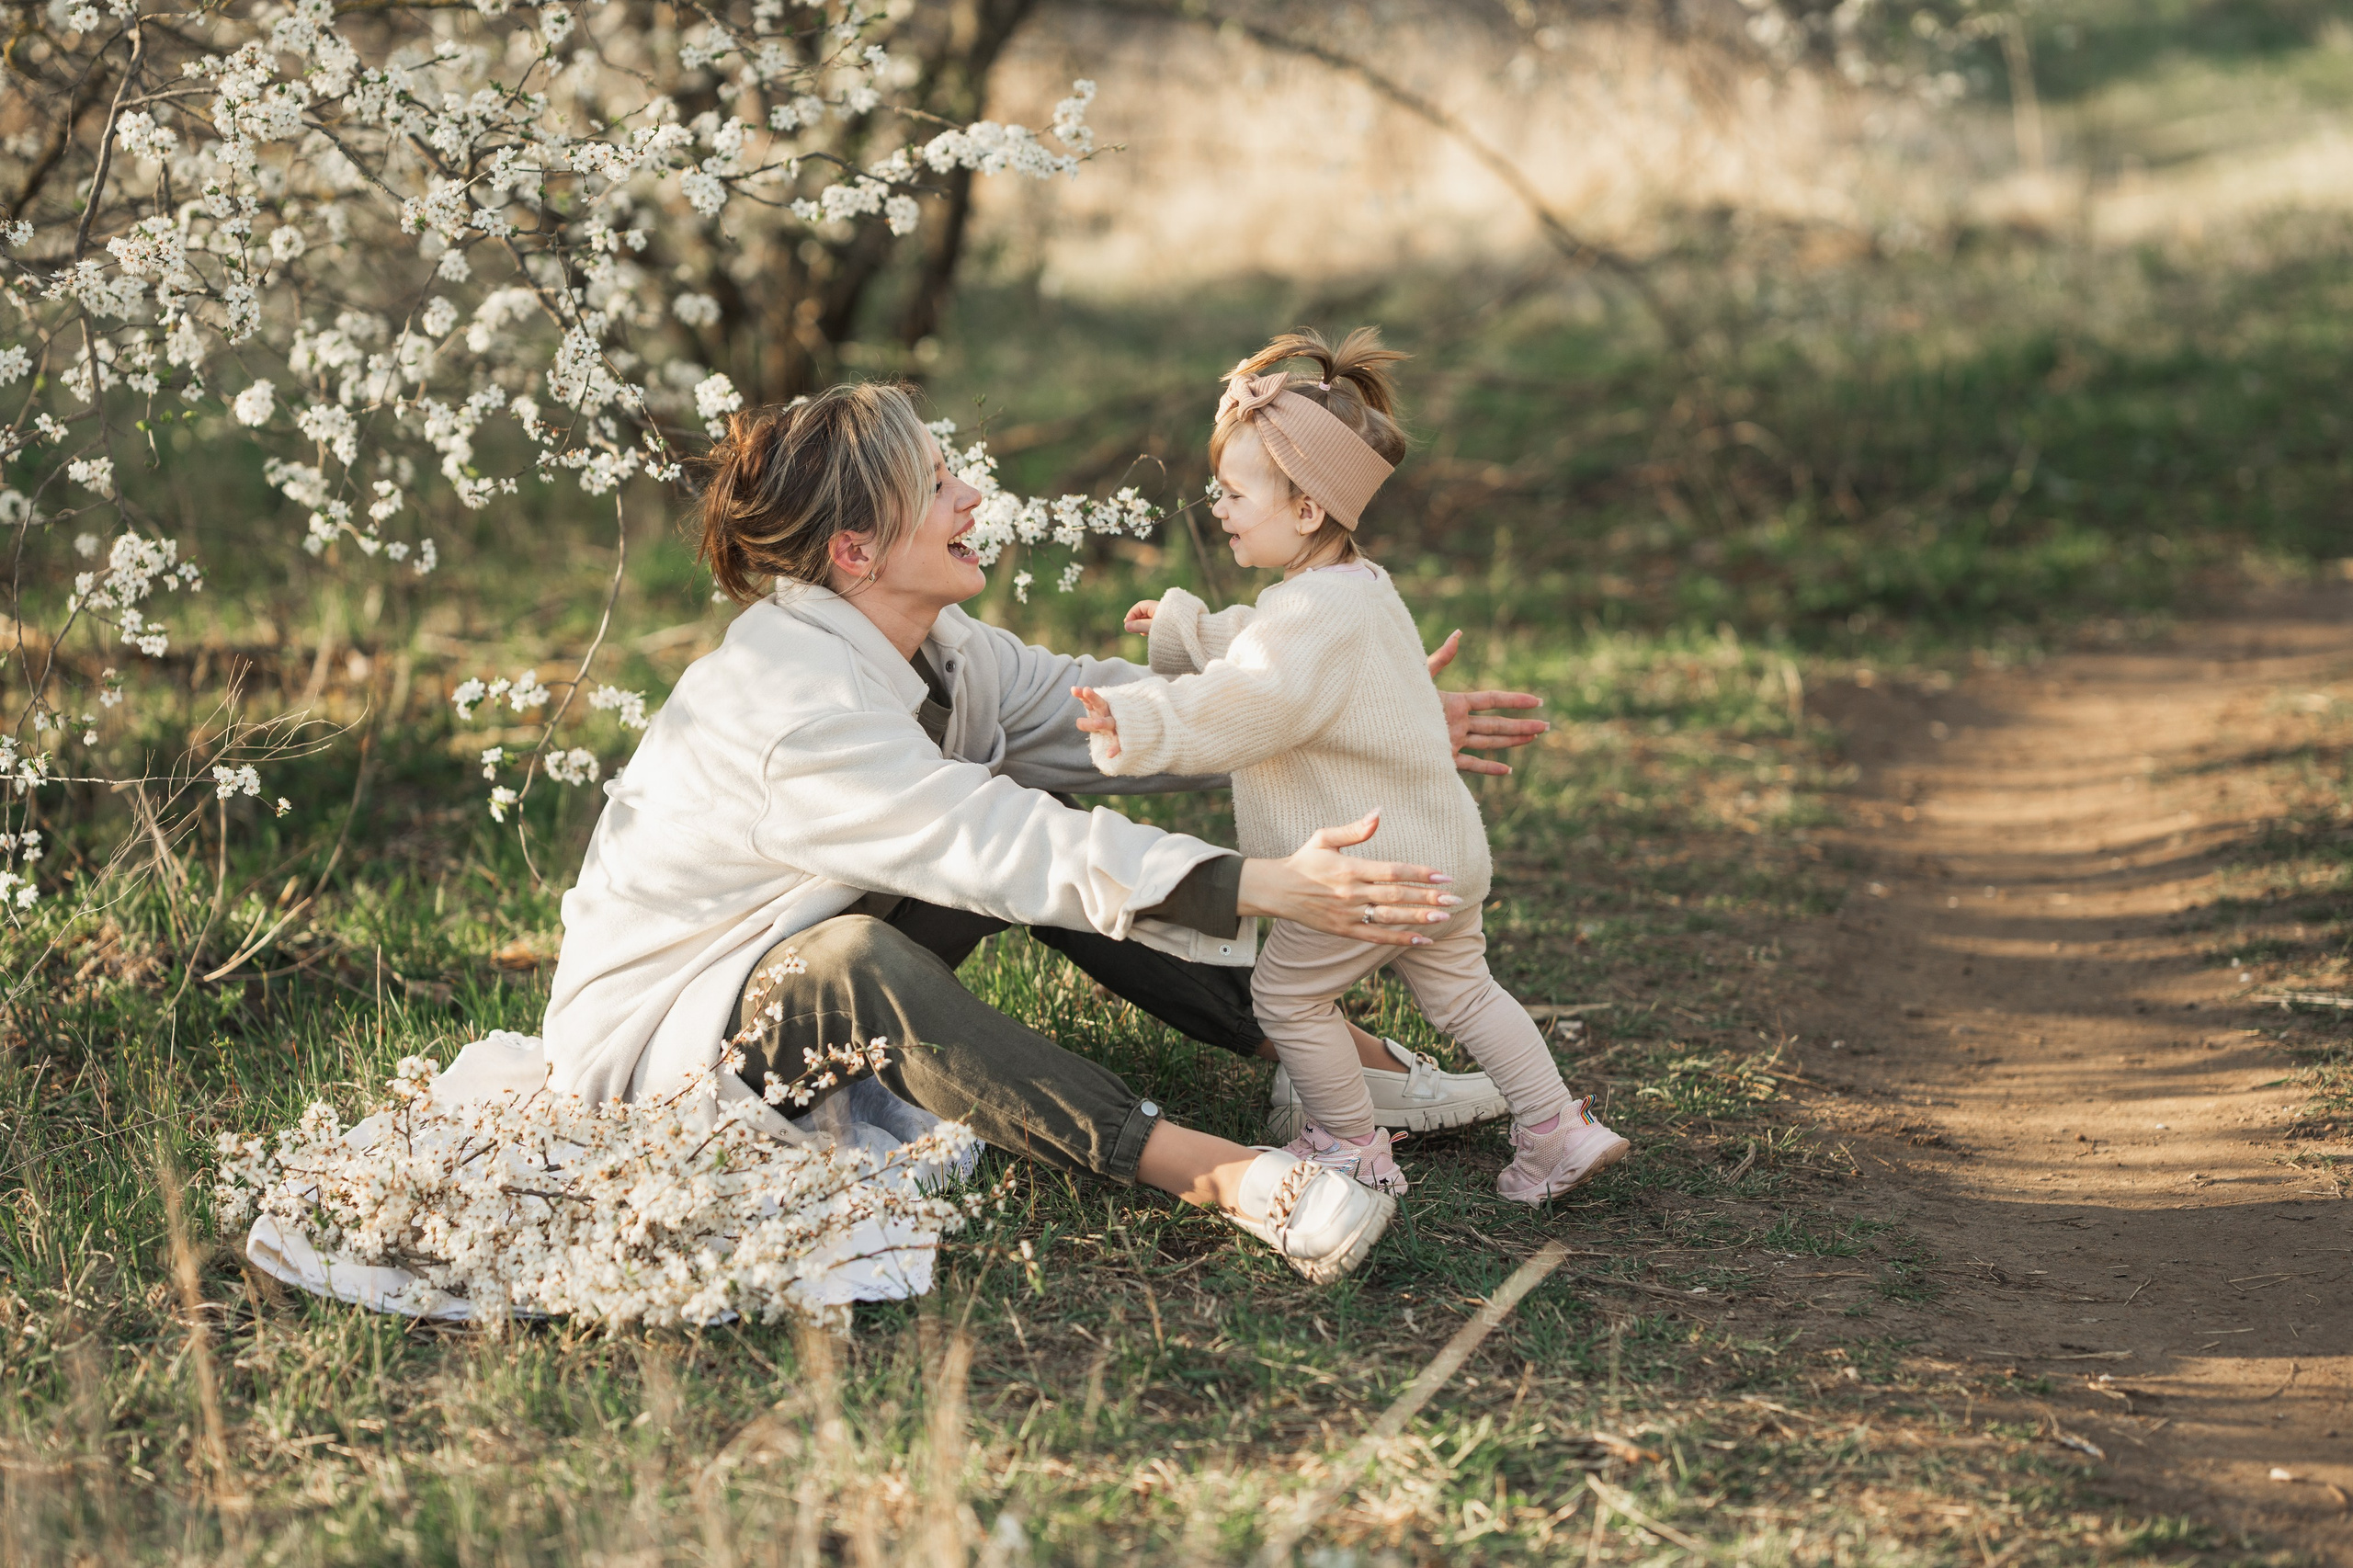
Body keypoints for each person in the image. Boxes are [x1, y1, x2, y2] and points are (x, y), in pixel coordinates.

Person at [539, 381, 1546, 1281]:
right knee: (857, 957)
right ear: (855, 551)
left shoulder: (938, 642)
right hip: (676, 1040)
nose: (973, 495)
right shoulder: (795, 708)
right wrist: (1251, 881)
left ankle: (1326, 1057)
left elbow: (1095, 709)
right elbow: (1000, 844)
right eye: (938, 486)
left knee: (1042, 822)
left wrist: (1342, 714)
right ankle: (1231, 1179)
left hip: (803, 937)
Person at [1075, 329, 1629, 1202]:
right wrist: (1187, 630)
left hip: (1366, 870)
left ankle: (1349, 1147)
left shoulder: (1304, 619)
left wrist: (1137, 721)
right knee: (1469, 996)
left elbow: (1252, 698)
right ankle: (1557, 1126)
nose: (1217, 509)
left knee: (1287, 998)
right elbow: (1267, 651)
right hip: (1442, 856)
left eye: (1231, 494)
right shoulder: (1358, 591)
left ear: (1303, 511)